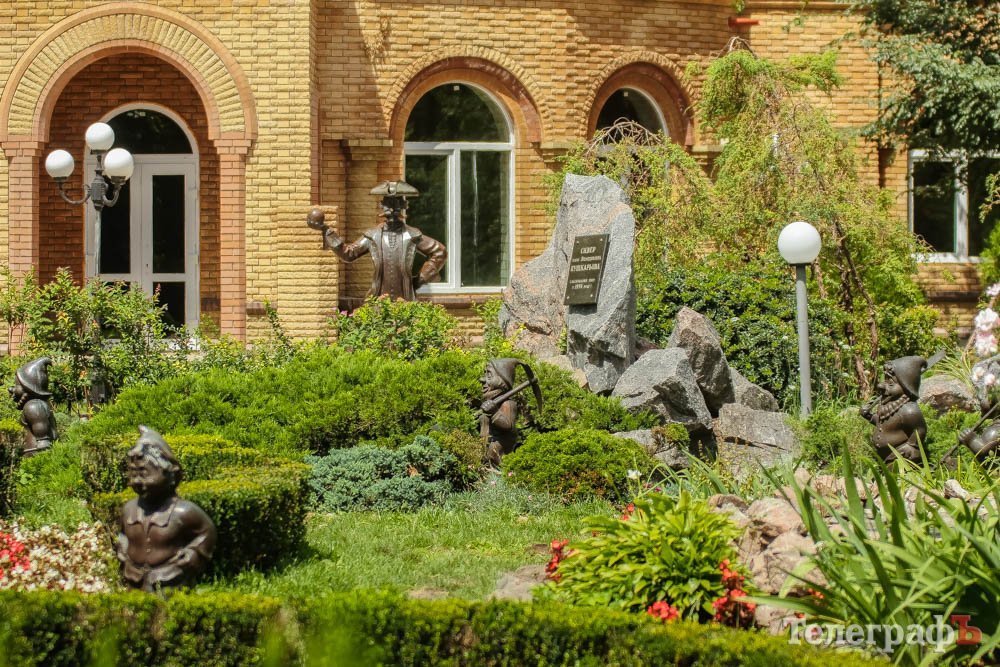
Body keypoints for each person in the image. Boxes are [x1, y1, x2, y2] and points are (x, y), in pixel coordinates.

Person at [306, 181, 447, 301]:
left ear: (403, 207)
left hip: (406, 299)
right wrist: (327, 231)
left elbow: (440, 252)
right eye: (389, 204)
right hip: (378, 299)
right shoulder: (373, 235)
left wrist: (420, 279)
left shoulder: (412, 235)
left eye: (396, 205)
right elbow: (348, 254)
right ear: (382, 206)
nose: (392, 209)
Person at [116, 426, 216, 592]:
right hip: (135, 580)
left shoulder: (183, 512)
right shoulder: (129, 510)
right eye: (134, 474)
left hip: (170, 580)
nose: (138, 481)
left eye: (144, 473)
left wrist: (191, 556)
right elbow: (122, 535)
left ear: (168, 472)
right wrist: (122, 550)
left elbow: (207, 532)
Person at [860, 356, 928, 464]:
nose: (881, 385)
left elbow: (920, 429)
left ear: (906, 387)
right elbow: (884, 422)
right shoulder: (889, 404)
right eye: (885, 380)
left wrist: (911, 445)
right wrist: (870, 417)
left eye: (890, 383)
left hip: (900, 457)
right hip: (885, 457)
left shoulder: (909, 410)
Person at [8, 357, 57, 456]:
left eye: (16, 385)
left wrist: (39, 463)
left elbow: (43, 444)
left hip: (35, 458)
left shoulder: (33, 407)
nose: (11, 389)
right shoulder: (36, 404)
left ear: (28, 387)